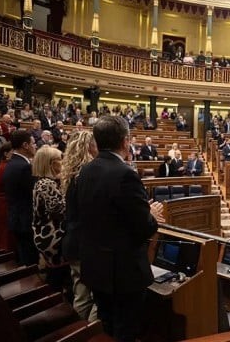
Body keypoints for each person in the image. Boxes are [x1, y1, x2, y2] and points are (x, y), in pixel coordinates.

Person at [67, 115, 164, 341]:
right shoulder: (125, 174)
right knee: (126, 331)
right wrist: (153, 215)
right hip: (124, 273)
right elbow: (144, 228)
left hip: (96, 268)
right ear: (125, 142)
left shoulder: (85, 171)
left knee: (108, 326)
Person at [61, 131, 99, 322]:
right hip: (86, 245)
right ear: (89, 147)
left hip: (73, 243)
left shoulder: (71, 175)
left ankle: (78, 333)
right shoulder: (88, 175)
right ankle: (92, 335)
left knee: (81, 296)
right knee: (99, 299)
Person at [32, 146, 69, 291]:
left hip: (49, 234)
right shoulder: (47, 184)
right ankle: (57, 303)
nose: (63, 162)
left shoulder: (44, 182)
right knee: (58, 277)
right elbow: (60, 210)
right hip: (51, 236)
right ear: (51, 163)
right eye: (60, 159)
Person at [3, 130, 38, 266]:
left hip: (16, 218)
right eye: (33, 143)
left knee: (25, 257)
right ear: (25, 145)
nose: (35, 146)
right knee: (30, 262)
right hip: (25, 220)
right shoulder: (23, 167)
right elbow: (33, 193)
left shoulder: (12, 163)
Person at [0, 143, 14, 252]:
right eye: (13, 152)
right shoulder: (5, 167)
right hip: (4, 205)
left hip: (3, 204)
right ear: (6, 153)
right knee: (7, 235)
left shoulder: (4, 165)